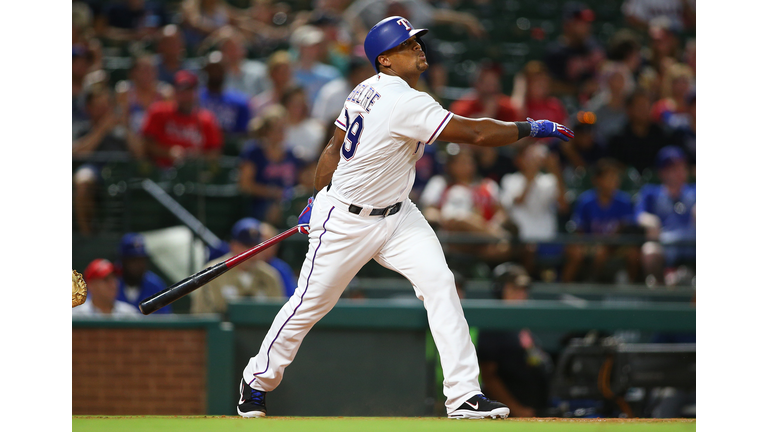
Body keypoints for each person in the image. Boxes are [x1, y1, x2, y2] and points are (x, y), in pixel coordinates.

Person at [235, 16, 572, 420]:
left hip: (398, 216)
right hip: (347, 221)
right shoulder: (404, 99)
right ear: (386, 61)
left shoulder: (367, 88)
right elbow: (477, 135)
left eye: (416, 42)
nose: (417, 48)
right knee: (310, 304)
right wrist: (528, 127)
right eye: (406, 45)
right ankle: (255, 379)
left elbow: (333, 147)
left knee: (441, 284)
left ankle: (464, 395)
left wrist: (317, 194)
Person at [477, 263, 552, 417]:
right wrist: (515, 409)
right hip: (509, 413)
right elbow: (489, 377)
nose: (520, 294)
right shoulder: (493, 324)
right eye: (514, 289)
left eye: (523, 289)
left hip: (533, 408)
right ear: (500, 290)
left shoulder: (521, 325)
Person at [73, 84, 144, 236]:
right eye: (98, 106)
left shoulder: (121, 130)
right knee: (82, 181)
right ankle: (87, 235)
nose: (104, 110)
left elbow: (139, 153)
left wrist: (125, 125)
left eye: (106, 105)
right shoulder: (81, 128)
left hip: (121, 171)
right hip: (94, 169)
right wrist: (102, 129)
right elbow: (78, 153)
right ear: (89, 108)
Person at [561, 159, 640, 283]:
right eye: (609, 178)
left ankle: (631, 288)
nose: (614, 182)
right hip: (591, 243)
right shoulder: (586, 201)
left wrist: (612, 241)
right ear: (597, 180)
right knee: (586, 251)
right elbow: (578, 229)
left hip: (616, 245)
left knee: (633, 253)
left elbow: (627, 228)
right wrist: (590, 244)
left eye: (616, 178)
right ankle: (573, 285)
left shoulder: (623, 201)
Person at [499, 144, 568, 279]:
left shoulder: (549, 180)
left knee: (574, 251)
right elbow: (519, 200)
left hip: (547, 237)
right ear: (519, 160)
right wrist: (530, 176)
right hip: (522, 238)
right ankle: (524, 284)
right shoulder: (510, 179)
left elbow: (563, 206)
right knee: (529, 250)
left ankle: (564, 289)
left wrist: (555, 170)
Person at [191, 218, 284, 314]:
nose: (253, 253)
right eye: (247, 246)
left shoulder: (270, 276)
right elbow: (200, 316)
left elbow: (279, 316)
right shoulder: (212, 274)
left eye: (257, 246)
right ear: (233, 245)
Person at [635, 146, 695, 286]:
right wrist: (650, 221)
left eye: (682, 166)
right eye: (673, 168)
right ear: (662, 172)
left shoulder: (695, 191)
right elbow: (639, 215)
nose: (680, 171)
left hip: (693, 243)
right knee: (649, 250)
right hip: (666, 242)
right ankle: (660, 289)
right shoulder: (651, 192)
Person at [142, 70, 224, 168]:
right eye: (181, 91)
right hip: (160, 170)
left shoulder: (207, 119)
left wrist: (198, 156)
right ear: (175, 92)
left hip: (195, 173)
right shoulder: (158, 112)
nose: (185, 96)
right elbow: (146, 144)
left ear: (196, 93)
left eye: (189, 91)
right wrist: (169, 152)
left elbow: (215, 152)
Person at [238, 105, 304, 225]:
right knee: (275, 211)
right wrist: (272, 192)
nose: (282, 132)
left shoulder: (291, 154)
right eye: (278, 129)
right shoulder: (253, 152)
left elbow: (299, 181)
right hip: (260, 205)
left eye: (284, 128)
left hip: (289, 203)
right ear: (267, 131)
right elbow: (245, 185)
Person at [543, 2, 605, 97]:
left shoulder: (594, 46)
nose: (587, 27)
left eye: (588, 23)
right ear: (568, 24)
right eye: (581, 23)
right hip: (566, 106)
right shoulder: (554, 52)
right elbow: (549, 86)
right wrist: (580, 88)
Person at [607, 89, 671, 174]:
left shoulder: (662, 134)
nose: (644, 110)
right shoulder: (617, 138)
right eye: (640, 106)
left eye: (647, 105)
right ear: (629, 109)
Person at [198, 51, 251, 136]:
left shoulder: (239, 102)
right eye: (212, 68)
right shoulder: (195, 99)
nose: (215, 72)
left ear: (226, 70)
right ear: (206, 70)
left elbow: (243, 134)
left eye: (219, 69)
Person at [115, 233, 171, 314]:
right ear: (123, 261)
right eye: (133, 260)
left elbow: (165, 321)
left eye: (142, 260)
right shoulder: (111, 284)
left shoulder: (155, 286)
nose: (139, 265)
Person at [289, 25, 342, 108]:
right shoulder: (289, 74)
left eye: (316, 46)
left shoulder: (331, 74)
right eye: (308, 46)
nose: (314, 50)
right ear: (299, 48)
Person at [72, 259, 141, 316]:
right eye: (106, 279)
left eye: (114, 278)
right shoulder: (77, 315)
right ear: (91, 285)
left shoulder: (129, 314)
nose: (113, 284)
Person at [281, 85, 325, 162]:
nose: (298, 108)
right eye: (294, 103)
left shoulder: (317, 129)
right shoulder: (277, 130)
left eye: (301, 103)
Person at [250, 50, 295, 118]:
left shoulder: (298, 103)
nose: (286, 76)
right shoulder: (260, 104)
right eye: (282, 72)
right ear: (271, 74)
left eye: (288, 72)